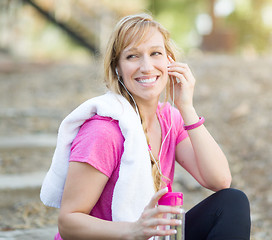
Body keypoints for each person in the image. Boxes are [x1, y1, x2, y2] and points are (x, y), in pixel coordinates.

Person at [40, 13, 251, 240]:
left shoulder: (169, 119)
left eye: (155, 53)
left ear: (169, 61)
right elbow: (68, 222)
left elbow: (219, 180)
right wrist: (133, 230)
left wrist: (186, 107)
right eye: (132, 56)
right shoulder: (104, 131)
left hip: (153, 236)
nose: (147, 66)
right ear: (117, 68)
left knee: (232, 203)